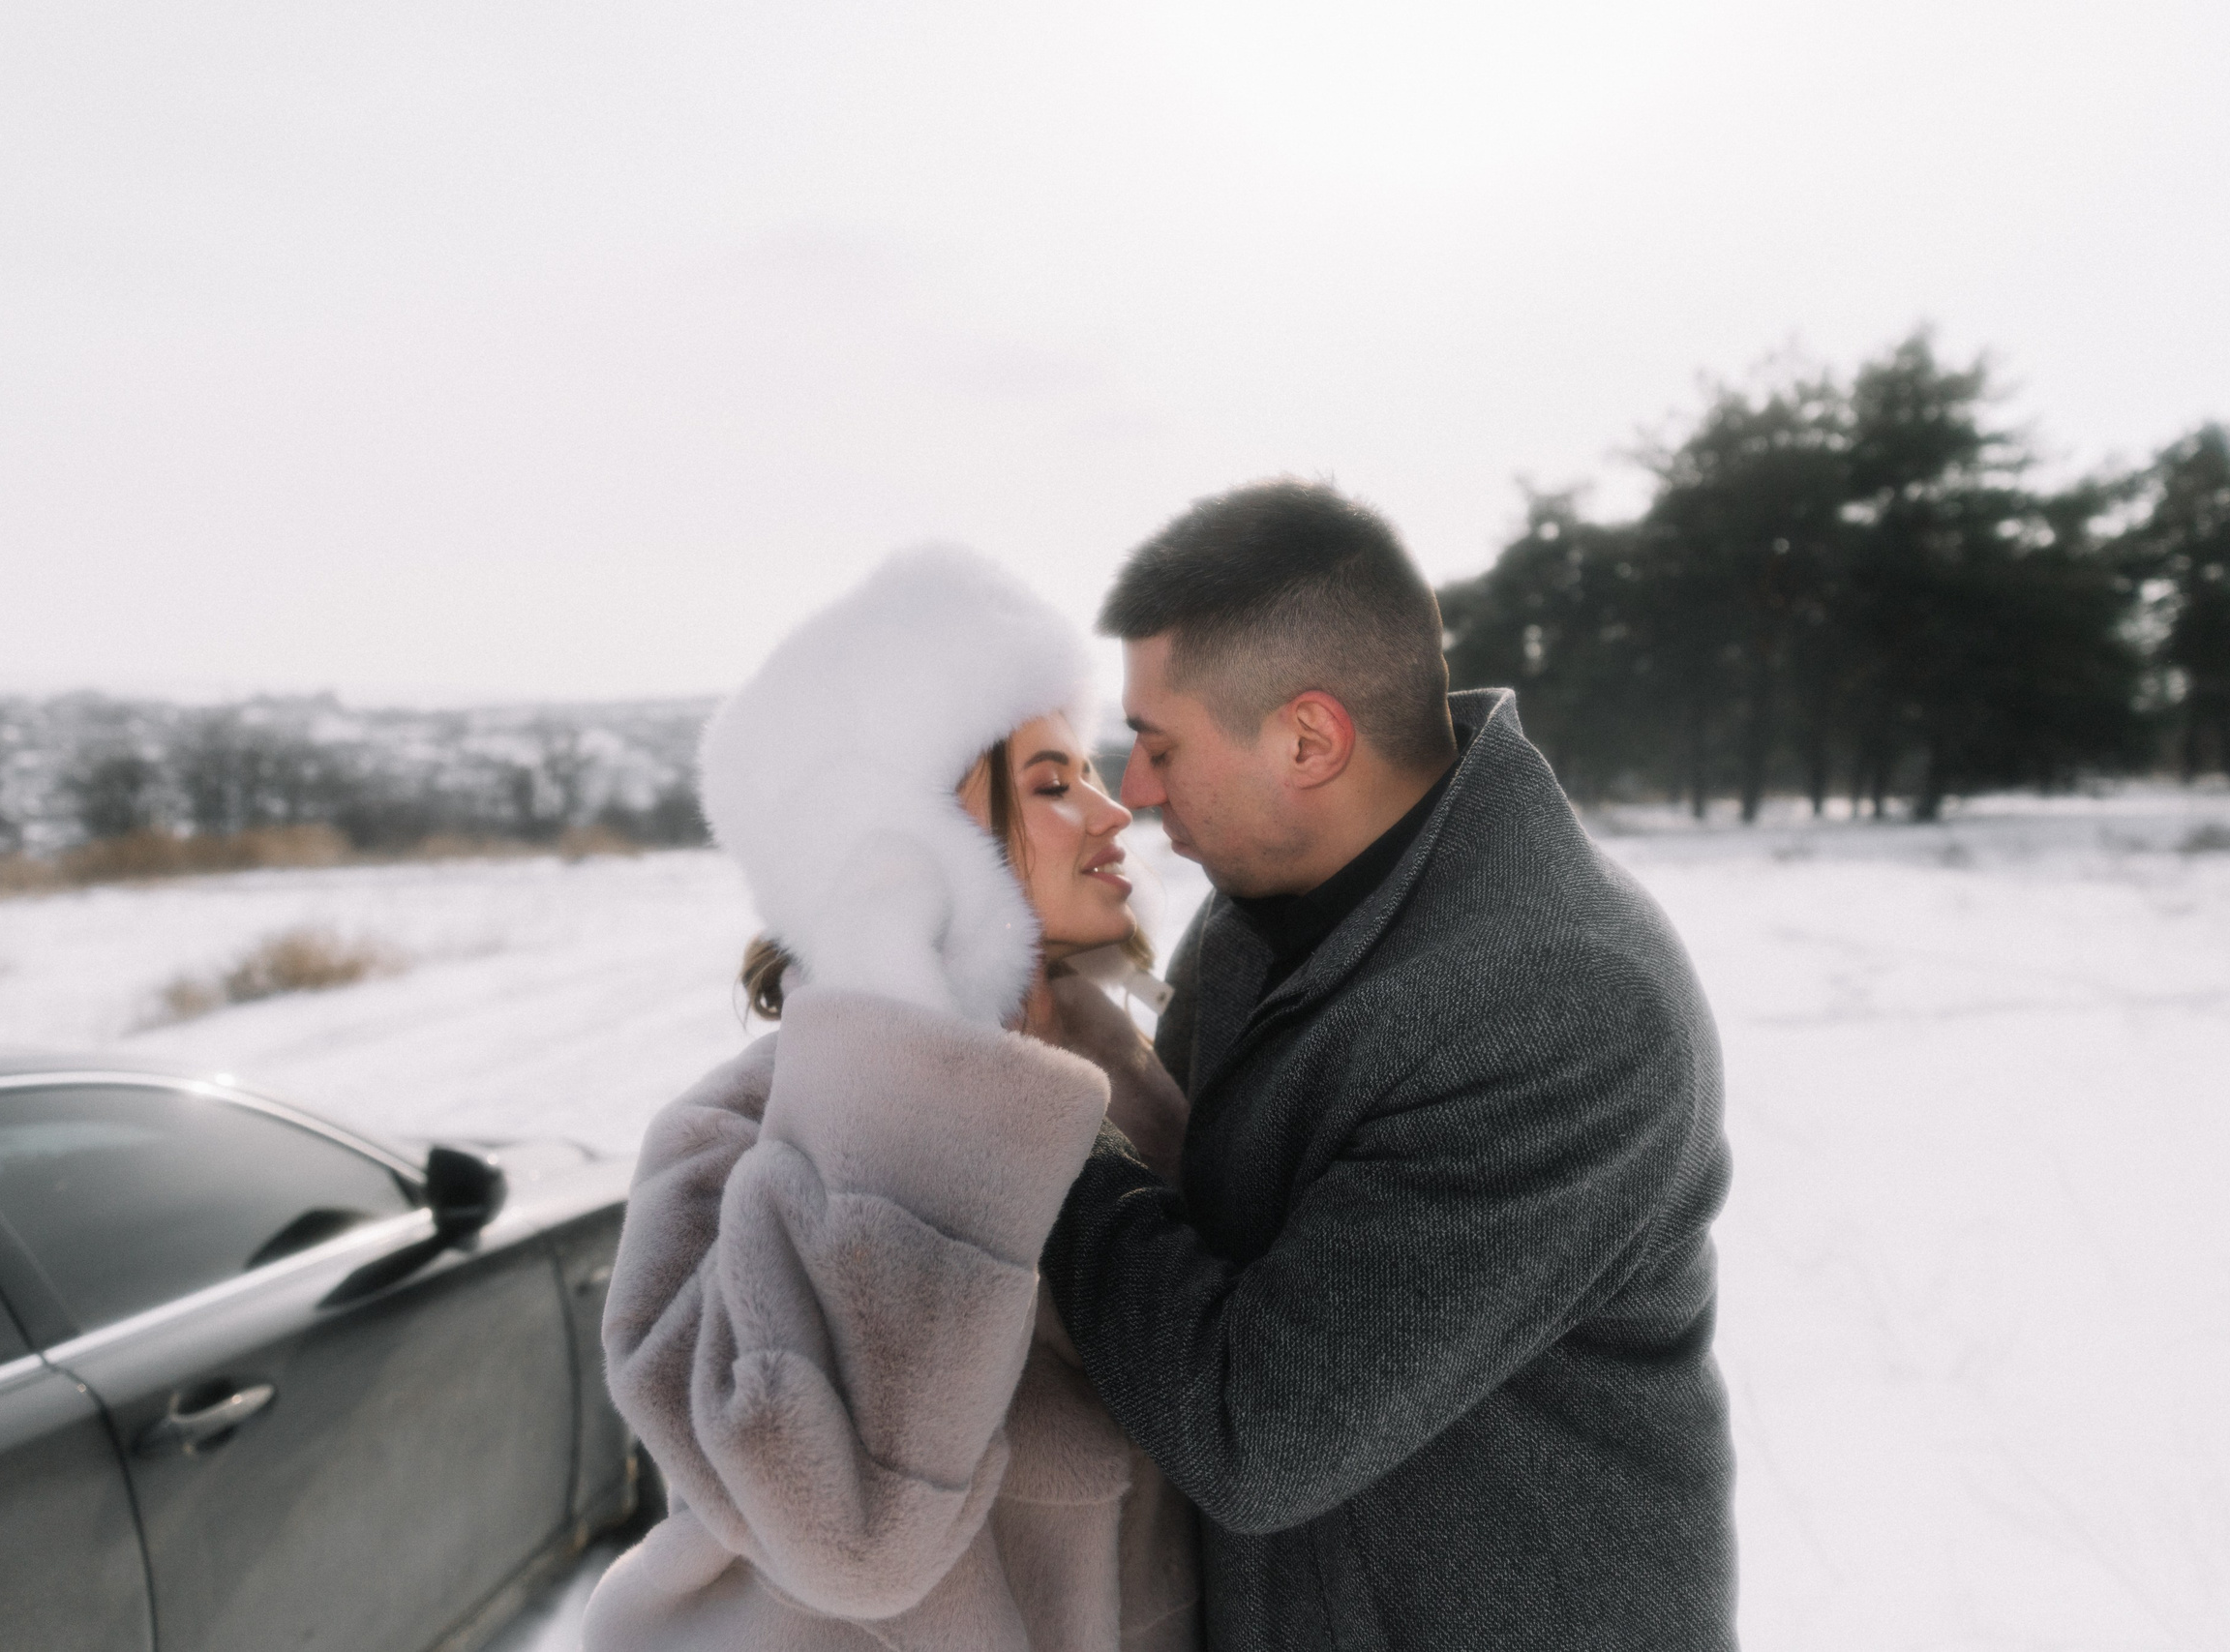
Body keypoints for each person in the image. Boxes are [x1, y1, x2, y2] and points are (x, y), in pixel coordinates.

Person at [1039, 481, 1737, 1650]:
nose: (1138, 791)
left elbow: (1251, 1431)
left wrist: (1038, 1116)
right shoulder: (1267, 906)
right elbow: (1171, 1214)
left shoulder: (1565, 1006)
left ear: (1308, 739)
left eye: (1157, 746)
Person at [582, 547, 1200, 1652]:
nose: (1115, 815)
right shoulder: (723, 1153)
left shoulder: (1134, 1094)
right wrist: (910, 1015)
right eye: (1054, 784)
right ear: (914, 845)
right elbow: (854, 1538)